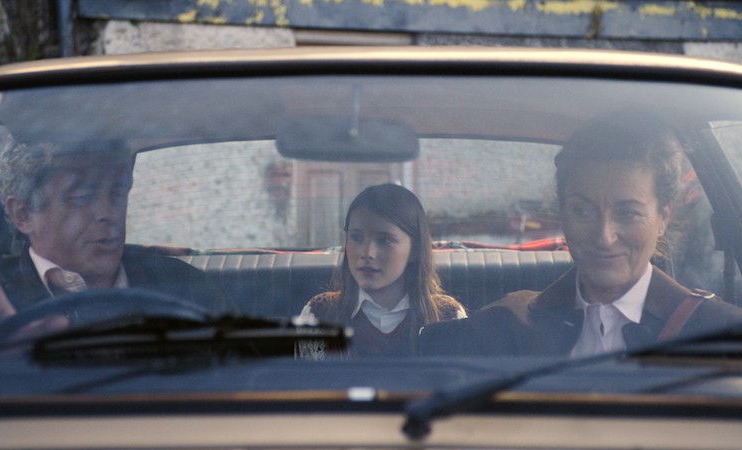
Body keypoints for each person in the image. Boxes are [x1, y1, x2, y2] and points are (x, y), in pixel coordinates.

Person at [421, 111, 742, 357]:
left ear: (663, 218)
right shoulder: (504, 328)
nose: (604, 236)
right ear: (563, 213)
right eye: (583, 211)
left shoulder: (720, 334)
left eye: (628, 213)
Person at [0, 137, 228, 352]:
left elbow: (238, 372)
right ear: (24, 214)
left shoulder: (186, 285)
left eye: (118, 193)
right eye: (81, 197)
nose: (108, 213)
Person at [297, 183, 466, 358]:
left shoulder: (448, 317)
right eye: (356, 237)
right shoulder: (320, 313)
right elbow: (302, 374)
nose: (367, 253)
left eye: (384, 240)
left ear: (415, 250)